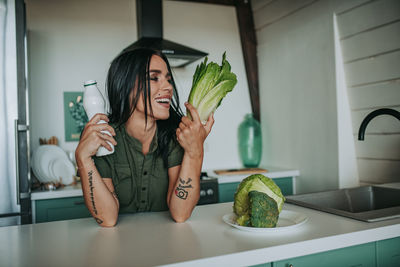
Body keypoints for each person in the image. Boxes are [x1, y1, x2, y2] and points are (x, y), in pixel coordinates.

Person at [75, 48, 214, 227]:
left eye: (168, 79)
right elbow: (107, 219)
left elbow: (180, 214)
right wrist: (83, 159)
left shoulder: (175, 136)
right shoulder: (103, 137)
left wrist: (196, 152)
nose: (168, 87)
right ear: (126, 85)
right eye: (154, 78)